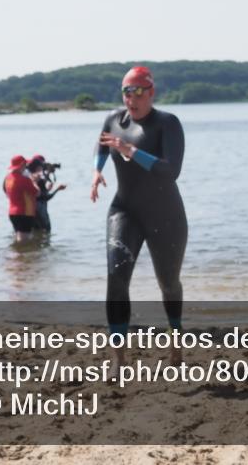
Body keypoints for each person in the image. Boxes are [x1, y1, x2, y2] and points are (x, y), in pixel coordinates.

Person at [91, 66, 187, 363]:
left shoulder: (167, 124)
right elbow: (103, 141)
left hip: (166, 215)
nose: (131, 98)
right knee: (116, 278)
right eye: (126, 92)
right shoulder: (113, 119)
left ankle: (176, 341)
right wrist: (97, 170)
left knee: (168, 283)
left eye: (138, 92)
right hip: (125, 210)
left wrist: (130, 151)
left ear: (151, 92)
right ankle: (119, 360)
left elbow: (171, 171)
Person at [4, 154, 39, 243]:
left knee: (18, 238)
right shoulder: (24, 179)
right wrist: (34, 181)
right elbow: (37, 193)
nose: (26, 167)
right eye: (25, 165)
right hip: (24, 212)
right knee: (25, 240)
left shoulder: (8, 178)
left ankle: (17, 255)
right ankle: (22, 255)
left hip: (12, 213)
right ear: (22, 165)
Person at [27, 155, 66, 232]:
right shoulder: (35, 178)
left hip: (30, 211)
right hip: (40, 211)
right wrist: (57, 189)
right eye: (42, 165)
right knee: (46, 231)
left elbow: (39, 193)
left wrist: (47, 188)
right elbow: (44, 197)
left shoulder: (29, 176)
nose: (43, 167)